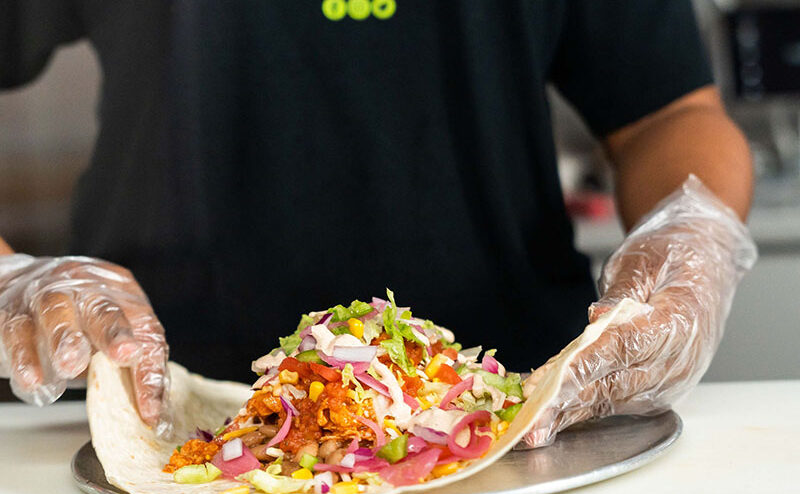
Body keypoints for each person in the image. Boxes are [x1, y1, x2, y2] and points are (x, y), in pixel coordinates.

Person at [0, 1, 756, 444]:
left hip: (518, 422)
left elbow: (670, 112)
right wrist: (8, 273)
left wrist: (695, 237)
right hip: (157, 413)